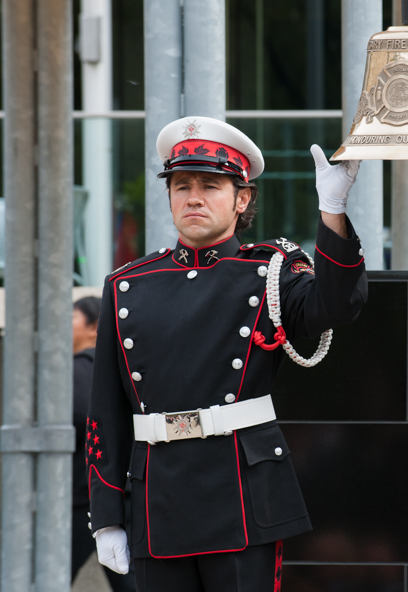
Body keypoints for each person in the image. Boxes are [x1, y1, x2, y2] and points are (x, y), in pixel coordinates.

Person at [86, 116, 367, 592]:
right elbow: (106, 412)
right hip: (157, 498)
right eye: (181, 185)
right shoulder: (127, 284)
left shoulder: (270, 271)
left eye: (210, 185)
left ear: (243, 198)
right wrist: (106, 515)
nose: (193, 197)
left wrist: (332, 211)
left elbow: (339, 304)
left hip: (242, 492)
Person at [72, 296, 137, 590]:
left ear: (94, 326)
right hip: (123, 493)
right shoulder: (129, 369)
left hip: (80, 498)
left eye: (71, 318)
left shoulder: (76, 374)